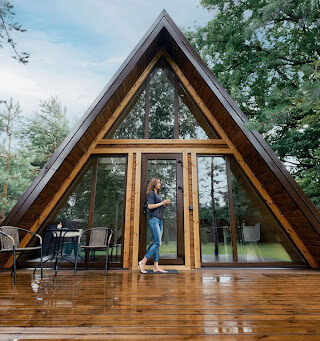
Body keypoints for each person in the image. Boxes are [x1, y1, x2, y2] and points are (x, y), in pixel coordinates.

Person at [138, 178, 171, 273]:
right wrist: (162, 202)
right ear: (153, 184)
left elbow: (158, 206)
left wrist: (165, 204)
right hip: (154, 220)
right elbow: (150, 206)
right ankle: (143, 261)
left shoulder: (157, 194)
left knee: (157, 244)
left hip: (160, 220)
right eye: (158, 182)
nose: (160, 184)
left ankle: (156, 266)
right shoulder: (151, 193)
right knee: (157, 242)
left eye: (160, 182)